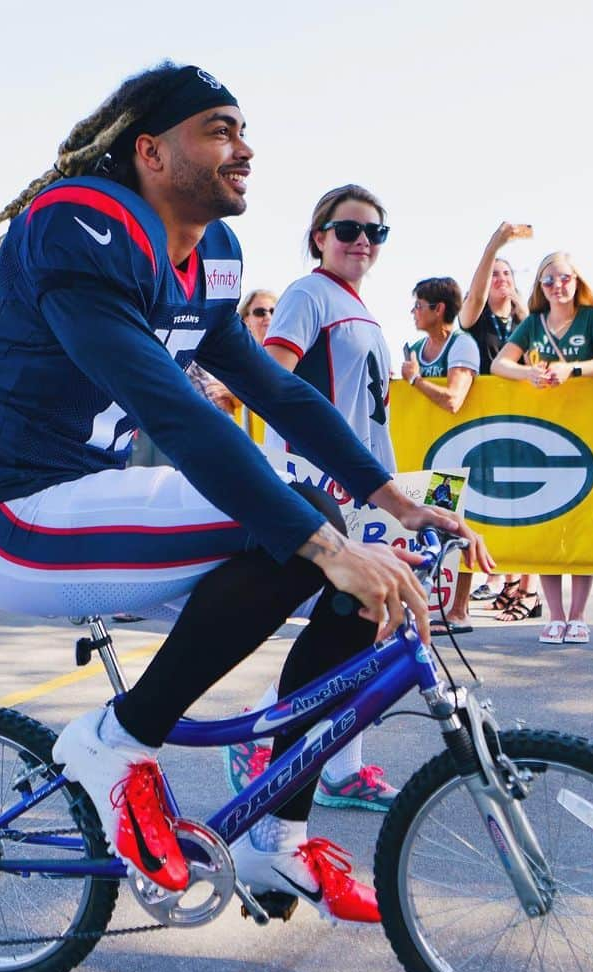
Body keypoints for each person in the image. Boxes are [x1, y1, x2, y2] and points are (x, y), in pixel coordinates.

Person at [0, 63, 491, 922]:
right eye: (220, 129)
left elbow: (279, 394)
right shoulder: (77, 226)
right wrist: (326, 540)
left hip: (94, 500)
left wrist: (393, 501)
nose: (245, 148)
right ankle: (115, 742)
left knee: (344, 555)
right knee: (307, 530)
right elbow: (174, 409)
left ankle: (276, 837)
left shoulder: (215, 257)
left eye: (244, 131)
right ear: (151, 152)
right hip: (18, 517)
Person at [239, 183, 397, 813]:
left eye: (374, 233)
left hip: (361, 488)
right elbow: (270, 374)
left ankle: (334, 761)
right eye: (348, 229)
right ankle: (268, 731)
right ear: (319, 237)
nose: (362, 242)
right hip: (322, 485)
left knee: (361, 627)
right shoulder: (308, 294)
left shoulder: (356, 304)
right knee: (351, 619)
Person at [493, 252, 593, 641]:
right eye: (548, 281)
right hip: (544, 434)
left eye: (564, 278)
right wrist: (527, 373)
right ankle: (555, 613)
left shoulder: (592, 319)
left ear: (576, 280)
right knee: (548, 524)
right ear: (540, 287)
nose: (557, 287)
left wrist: (573, 370)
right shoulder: (533, 323)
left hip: (588, 432)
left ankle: (579, 614)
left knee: (583, 525)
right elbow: (501, 363)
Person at [401, 277, 480, 633]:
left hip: (459, 448)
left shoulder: (462, 345)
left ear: (439, 309)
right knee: (436, 524)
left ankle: (459, 609)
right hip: (427, 450)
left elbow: (454, 399)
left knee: (455, 523)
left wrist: (415, 382)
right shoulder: (417, 348)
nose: (414, 312)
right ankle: (434, 604)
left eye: (419, 305)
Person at [459, 222, 532, 607]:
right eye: (495, 274)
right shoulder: (476, 319)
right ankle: (488, 581)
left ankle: (526, 586)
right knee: (482, 500)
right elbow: (474, 297)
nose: (501, 279)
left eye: (508, 273)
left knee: (526, 498)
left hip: (525, 418)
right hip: (484, 421)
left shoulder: (528, 322)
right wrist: (493, 248)